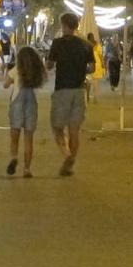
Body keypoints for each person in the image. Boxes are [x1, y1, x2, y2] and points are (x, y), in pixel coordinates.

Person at [46, 13, 94, 177]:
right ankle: (70, 164)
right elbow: (92, 68)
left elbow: (49, 65)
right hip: (80, 90)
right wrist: (81, 68)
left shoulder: (58, 43)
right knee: (74, 130)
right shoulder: (86, 45)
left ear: (64, 25)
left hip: (62, 90)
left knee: (57, 127)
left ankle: (67, 155)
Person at [4, 46, 45, 178]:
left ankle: (14, 157)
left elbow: (5, 85)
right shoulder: (35, 73)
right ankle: (27, 169)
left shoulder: (16, 70)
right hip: (31, 105)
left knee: (14, 136)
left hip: (17, 104)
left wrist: (8, 77)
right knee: (29, 139)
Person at [86, 33, 105, 103]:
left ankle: (93, 97)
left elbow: (101, 56)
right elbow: (101, 56)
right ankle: (92, 97)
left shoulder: (89, 45)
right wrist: (103, 64)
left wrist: (103, 64)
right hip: (92, 66)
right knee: (92, 83)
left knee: (92, 83)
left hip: (94, 66)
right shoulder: (92, 46)